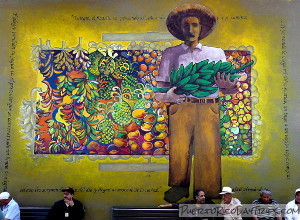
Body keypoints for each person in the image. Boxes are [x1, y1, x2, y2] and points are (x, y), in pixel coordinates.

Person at [155, 4, 239, 203]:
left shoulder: (216, 53)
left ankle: (208, 191)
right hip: (181, 106)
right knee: (179, 148)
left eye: (195, 25)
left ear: (202, 28)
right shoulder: (170, 54)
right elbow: (160, 89)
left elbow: (231, 87)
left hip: (208, 105)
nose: (191, 30)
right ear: (180, 28)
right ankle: (178, 186)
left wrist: (226, 86)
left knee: (209, 149)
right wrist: (168, 97)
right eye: (186, 25)